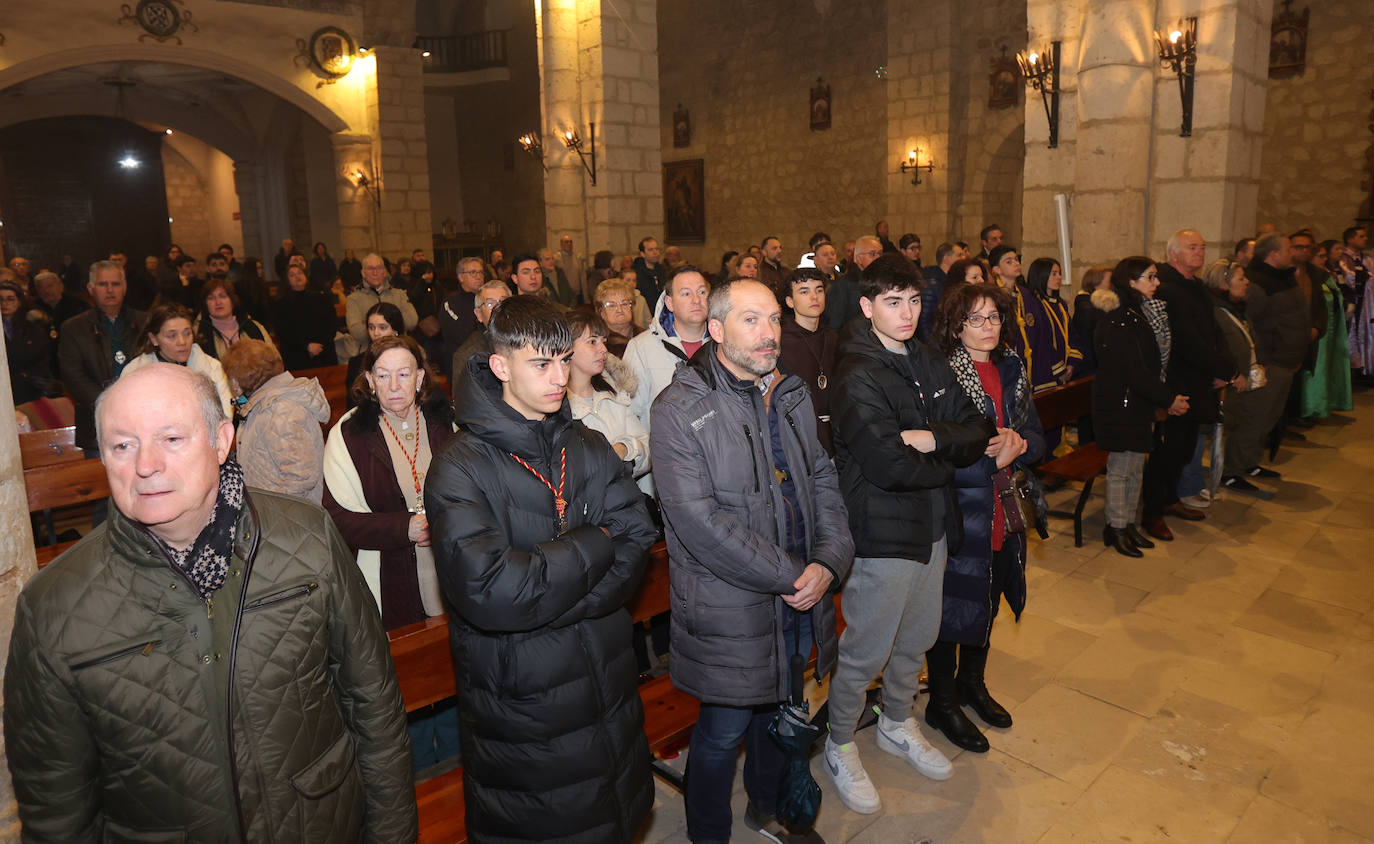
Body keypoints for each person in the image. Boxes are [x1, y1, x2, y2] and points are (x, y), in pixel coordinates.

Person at [3, 363, 417, 842]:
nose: (145, 465)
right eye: (123, 445)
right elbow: (57, 812)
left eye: (172, 438)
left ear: (221, 441)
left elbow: (374, 708)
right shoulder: (54, 605)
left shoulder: (306, 538)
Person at [426, 296, 657, 842]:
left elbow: (638, 540)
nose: (559, 378)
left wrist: (548, 594)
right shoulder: (460, 467)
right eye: (540, 363)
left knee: (615, 816)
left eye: (562, 358)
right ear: (501, 366)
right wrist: (597, 540)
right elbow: (494, 592)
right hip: (526, 713)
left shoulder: (589, 445)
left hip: (607, 687)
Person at [650, 278, 854, 843]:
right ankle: (707, 834)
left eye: (772, 319)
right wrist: (795, 574)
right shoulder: (680, 407)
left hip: (798, 589)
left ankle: (766, 807)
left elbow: (822, 477)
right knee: (721, 731)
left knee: (779, 709)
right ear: (716, 331)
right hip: (729, 599)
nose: (769, 334)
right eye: (751, 320)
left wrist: (830, 561)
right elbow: (699, 521)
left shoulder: (787, 392)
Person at [825, 254, 994, 814]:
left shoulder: (927, 358)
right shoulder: (857, 372)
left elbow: (979, 428)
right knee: (865, 649)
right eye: (893, 302)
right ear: (868, 306)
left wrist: (930, 437)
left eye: (914, 301)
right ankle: (841, 740)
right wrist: (944, 453)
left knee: (918, 639)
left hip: (933, 525)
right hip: (884, 530)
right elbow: (888, 466)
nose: (906, 313)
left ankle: (897, 722)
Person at [323, 335, 459, 770]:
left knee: (453, 667)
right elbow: (338, 518)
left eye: (404, 374)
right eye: (383, 375)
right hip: (384, 575)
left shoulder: (445, 423)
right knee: (405, 679)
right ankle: (416, 770)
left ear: (421, 378)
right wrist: (406, 527)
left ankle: (459, 761)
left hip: (447, 569)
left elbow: (472, 491)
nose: (394, 384)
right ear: (368, 380)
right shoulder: (349, 434)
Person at [928, 282, 1047, 751]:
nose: (988, 327)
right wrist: (988, 458)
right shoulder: (942, 374)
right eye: (975, 319)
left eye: (994, 317)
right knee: (952, 605)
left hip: (1007, 503)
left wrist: (1021, 445)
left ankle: (971, 683)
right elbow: (935, 450)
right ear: (956, 327)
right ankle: (941, 700)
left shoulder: (1011, 367)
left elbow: (1037, 435)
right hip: (963, 507)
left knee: (993, 592)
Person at [1140, 229, 1238, 542]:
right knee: (1168, 450)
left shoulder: (1194, 286)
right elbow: (1187, 341)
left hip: (1199, 380)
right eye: (1192, 247)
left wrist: (1228, 368)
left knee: (1184, 449)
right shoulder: (1167, 287)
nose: (1200, 252)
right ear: (1173, 254)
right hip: (1177, 382)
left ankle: (1170, 499)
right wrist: (1224, 369)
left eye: (1202, 246)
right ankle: (1152, 512)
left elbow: (1213, 331)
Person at [1091, 258, 1190, 555]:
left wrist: (1164, 396)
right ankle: (1116, 527)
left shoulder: (1137, 314)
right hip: (1121, 405)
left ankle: (1128, 525)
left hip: (1135, 403)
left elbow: (1147, 368)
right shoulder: (1120, 319)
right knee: (1122, 469)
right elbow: (1133, 371)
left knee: (1135, 467)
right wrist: (1168, 398)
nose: (1156, 283)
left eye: (1155, 277)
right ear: (1131, 282)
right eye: (1150, 277)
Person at [220, 338, 330, 501]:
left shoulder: (281, 411)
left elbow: (300, 476)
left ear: (236, 382)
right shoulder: (261, 405)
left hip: (286, 517)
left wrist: (267, 509)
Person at [59, 260, 149, 453]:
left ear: (125, 287)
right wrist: (109, 404)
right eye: (102, 284)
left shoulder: (146, 322)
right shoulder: (73, 328)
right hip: (96, 424)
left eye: (115, 284)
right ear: (91, 288)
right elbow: (73, 377)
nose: (110, 290)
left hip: (145, 419)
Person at [1244, 235, 1310, 476]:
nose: (1291, 252)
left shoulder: (1284, 277)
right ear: (1272, 254)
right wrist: (1263, 360)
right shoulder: (1258, 283)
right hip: (1271, 363)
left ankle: (1250, 463)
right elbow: (1250, 324)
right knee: (1256, 418)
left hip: (1287, 361)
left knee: (1269, 418)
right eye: (1288, 248)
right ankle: (1235, 468)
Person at [1203, 260, 1270, 494]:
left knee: (1246, 421)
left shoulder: (1234, 307)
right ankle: (1226, 474)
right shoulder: (1215, 310)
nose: (1247, 282)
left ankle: (1237, 467)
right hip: (1228, 381)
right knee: (1225, 427)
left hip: (1242, 378)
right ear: (1224, 282)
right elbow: (1215, 347)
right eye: (1240, 278)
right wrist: (1228, 374)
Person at [565, 309, 651, 487]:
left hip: (625, 501)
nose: (603, 349)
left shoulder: (614, 392)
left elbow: (647, 451)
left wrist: (625, 449)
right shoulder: (557, 405)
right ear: (567, 347)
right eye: (592, 342)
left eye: (603, 341)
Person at [625, 265, 710, 437]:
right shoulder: (641, 348)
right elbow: (630, 413)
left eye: (702, 292)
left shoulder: (724, 346)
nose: (696, 300)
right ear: (670, 303)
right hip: (664, 455)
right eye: (686, 293)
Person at [121, 303, 234, 418]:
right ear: (153, 339)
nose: (182, 342)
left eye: (187, 333)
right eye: (172, 336)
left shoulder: (213, 368)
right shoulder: (134, 372)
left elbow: (225, 417)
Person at [779, 267, 839, 455]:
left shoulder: (834, 338)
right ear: (790, 301)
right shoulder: (780, 342)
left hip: (836, 433)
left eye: (819, 290)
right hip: (799, 437)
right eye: (804, 291)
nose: (814, 297)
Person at [1299, 240, 1353, 419]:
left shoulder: (1325, 276)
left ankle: (1324, 403)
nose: (1324, 259)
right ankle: (1310, 406)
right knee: (1315, 368)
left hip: (1328, 329)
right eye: (1320, 256)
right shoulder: (1308, 278)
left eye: (1324, 256)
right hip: (1316, 330)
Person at [1023, 257, 1083, 392]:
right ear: (1041, 275)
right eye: (1054, 274)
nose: (1059, 278)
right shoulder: (1034, 304)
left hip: (1065, 367)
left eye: (1060, 273)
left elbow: (1072, 334)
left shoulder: (1060, 304)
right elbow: (1041, 339)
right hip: (1045, 369)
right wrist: (1060, 369)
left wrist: (1072, 364)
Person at [274, 263, 339, 371]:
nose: (297, 276)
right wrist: (307, 346)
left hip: (323, 351)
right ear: (287, 281)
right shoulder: (281, 305)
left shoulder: (321, 298)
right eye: (292, 275)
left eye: (300, 273)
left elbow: (331, 324)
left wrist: (320, 344)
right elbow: (283, 331)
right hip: (297, 354)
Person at [347, 253, 419, 346]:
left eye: (379, 268)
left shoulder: (399, 294)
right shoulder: (354, 299)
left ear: (384, 272)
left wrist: (374, 328)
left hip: (398, 348)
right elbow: (356, 331)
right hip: (368, 351)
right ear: (363, 273)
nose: (375, 272)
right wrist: (390, 328)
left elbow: (412, 321)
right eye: (370, 268)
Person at [2, 279, 55, 404]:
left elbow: (41, 358)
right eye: (1, 299)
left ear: (19, 302)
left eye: (10, 299)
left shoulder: (32, 327)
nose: (4, 303)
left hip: (29, 388)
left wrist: (24, 376)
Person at [194, 278, 274, 360]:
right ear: (205, 304)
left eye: (223, 296)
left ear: (232, 300)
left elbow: (274, 359)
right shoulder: (198, 333)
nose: (218, 302)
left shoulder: (254, 327)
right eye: (211, 298)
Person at [348, 301, 405, 405]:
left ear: (395, 331)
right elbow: (353, 403)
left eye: (382, 327)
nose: (376, 333)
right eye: (371, 327)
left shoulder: (411, 358)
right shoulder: (357, 363)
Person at [451, 280, 512, 377]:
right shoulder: (467, 355)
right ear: (478, 314)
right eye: (490, 303)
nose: (498, 307)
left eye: (503, 301)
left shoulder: (528, 341)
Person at [438, 256, 487, 375]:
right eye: (473, 272)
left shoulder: (488, 300)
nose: (478, 276)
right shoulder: (450, 303)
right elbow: (462, 334)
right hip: (462, 367)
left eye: (480, 272)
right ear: (460, 277)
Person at [829, 235, 883, 332]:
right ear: (859, 258)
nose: (878, 258)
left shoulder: (883, 283)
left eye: (880, 253)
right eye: (872, 254)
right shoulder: (843, 286)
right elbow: (834, 326)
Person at [917, 242, 969, 342]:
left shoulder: (954, 282)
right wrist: (930, 348)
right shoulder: (932, 285)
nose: (964, 258)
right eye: (959, 255)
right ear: (946, 258)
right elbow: (924, 322)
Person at [595, 277, 644, 358]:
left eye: (624, 303)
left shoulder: (645, 336)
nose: (620, 309)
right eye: (611, 305)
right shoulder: (598, 345)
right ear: (601, 312)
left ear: (631, 308)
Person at [233, 256, 273, 330]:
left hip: (263, 323)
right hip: (246, 323)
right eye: (258, 268)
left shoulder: (263, 285)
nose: (261, 270)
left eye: (261, 268)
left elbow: (267, 306)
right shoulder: (239, 286)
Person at [557, 234, 592, 304]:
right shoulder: (556, 259)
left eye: (571, 242)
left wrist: (586, 299)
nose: (569, 244)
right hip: (562, 296)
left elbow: (583, 279)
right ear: (561, 244)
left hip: (577, 296)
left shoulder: (577, 259)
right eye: (566, 242)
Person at [632, 236, 665, 306]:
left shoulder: (662, 270)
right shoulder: (636, 273)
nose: (655, 252)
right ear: (642, 254)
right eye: (650, 250)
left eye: (657, 249)